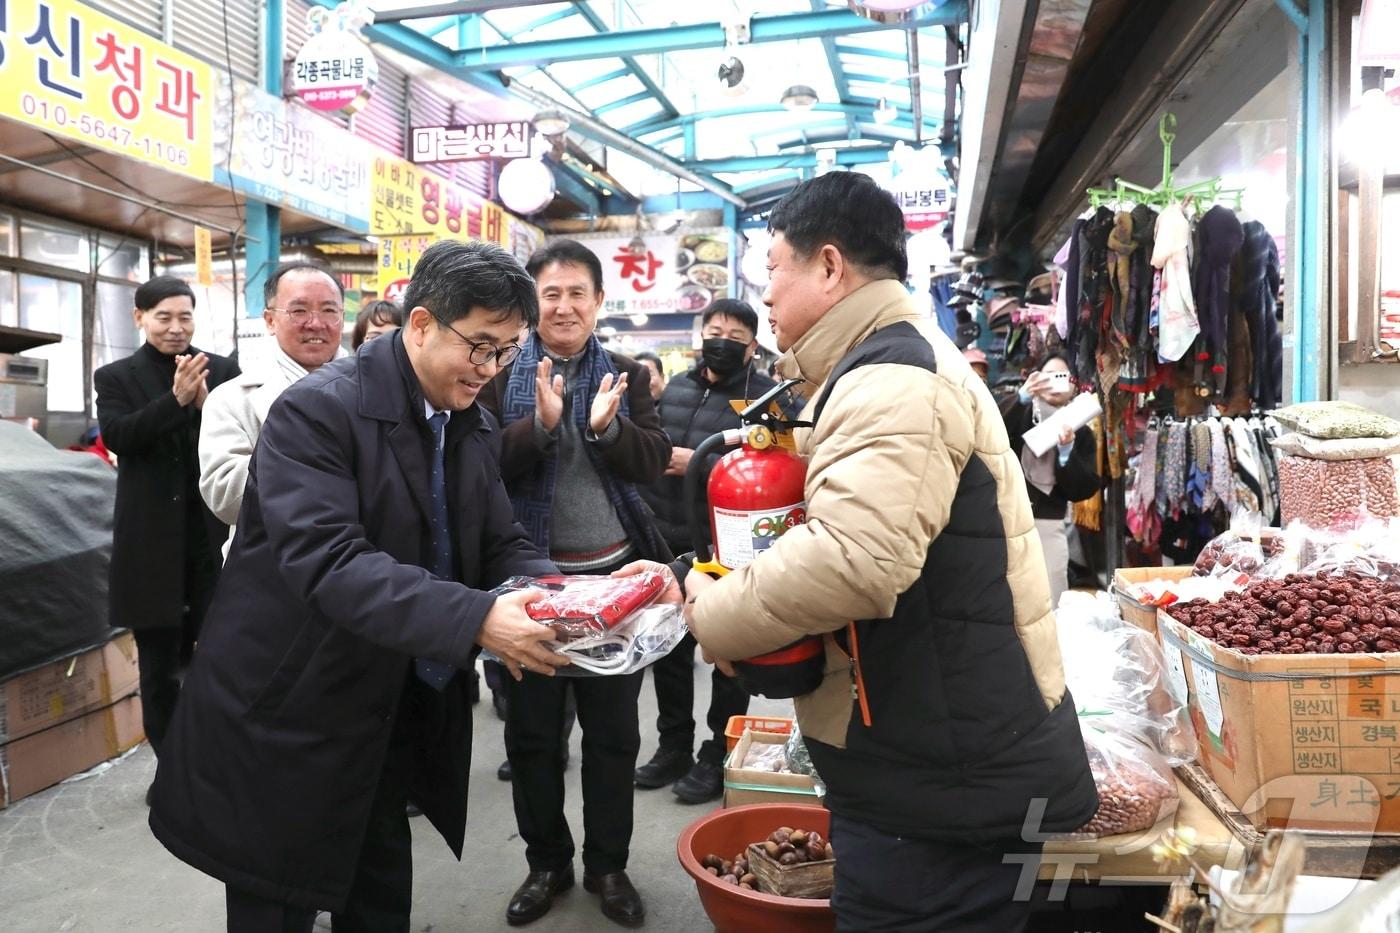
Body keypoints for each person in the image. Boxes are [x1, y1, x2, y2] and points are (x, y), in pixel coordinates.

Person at [677, 173, 1097, 931]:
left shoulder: (892, 378)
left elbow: (856, 558)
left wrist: (714, 615)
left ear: (830, 266)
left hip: (943, 785)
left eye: (774, 267)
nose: (763, 293)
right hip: (936, 758)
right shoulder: (874, 367)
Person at [148, 240, 568, 933]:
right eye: (481, 347)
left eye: (508, 352)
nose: (491, 369)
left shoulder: (468, 420)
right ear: (423, 324)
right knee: (274, 893)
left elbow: (497, 541)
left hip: (382, 705)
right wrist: (477, 618)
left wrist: (573, 597)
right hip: (289, 704)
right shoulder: (316, 413)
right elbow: (330, 559)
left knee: (376, 893)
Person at [477, 238, 670, 929]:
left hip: (613, 588)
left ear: (597, 302)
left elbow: (652, 461)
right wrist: (540, 428)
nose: (563, 306)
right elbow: (481, 467)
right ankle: (546, 863)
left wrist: (609, 428)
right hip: (534, 593)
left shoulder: (625, 373)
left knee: (614, 735)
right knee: (532, 739)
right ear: (533, 305)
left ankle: (608, 865)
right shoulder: (497, 375)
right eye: (550, 294)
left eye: (576, 293)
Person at [94, 275, 239, 804]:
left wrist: (204, 407)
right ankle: (172, 768)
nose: (176, 328)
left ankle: (217, 761)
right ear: (139, 318)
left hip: (209, 542)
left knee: (220, 658)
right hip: (150, 545)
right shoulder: (115, 376)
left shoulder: (221, 371)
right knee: (157, 667)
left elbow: (242, 443)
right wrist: (175, 402)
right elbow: (118, 437)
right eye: (164, 318)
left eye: (185, 317)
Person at [635, 299, 778, 804]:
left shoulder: (766, 397)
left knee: (727, 654)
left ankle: (718, 752)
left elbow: (774, 466)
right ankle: (672, 745)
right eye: (713, 330)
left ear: (752, 345)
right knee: (670, 651)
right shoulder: (676, 386)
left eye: (735, 335)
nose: (722, 340)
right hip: (669, 534)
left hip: (729, 544)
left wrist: (701, 461)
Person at [198, 262, 348, 556]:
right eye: (299, 311)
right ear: (269, 320)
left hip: (363, 568)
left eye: (329, 310)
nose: (315, 323)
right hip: (270, 569)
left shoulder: (374, 390)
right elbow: (224, 496)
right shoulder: (231, 399)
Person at [1001, 351, 1100, 605]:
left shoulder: (1081, 430)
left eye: (1062, 377)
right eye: (1049, 376)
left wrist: (1066, 454)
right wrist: (1022, 396)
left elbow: (1084, 487)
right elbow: (989, 433)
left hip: (1049, 522)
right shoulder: (1020, 413)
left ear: (1073, 384)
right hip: (1007, 521)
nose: (1055, 383)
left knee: (1050, 598)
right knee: (1008, 597)